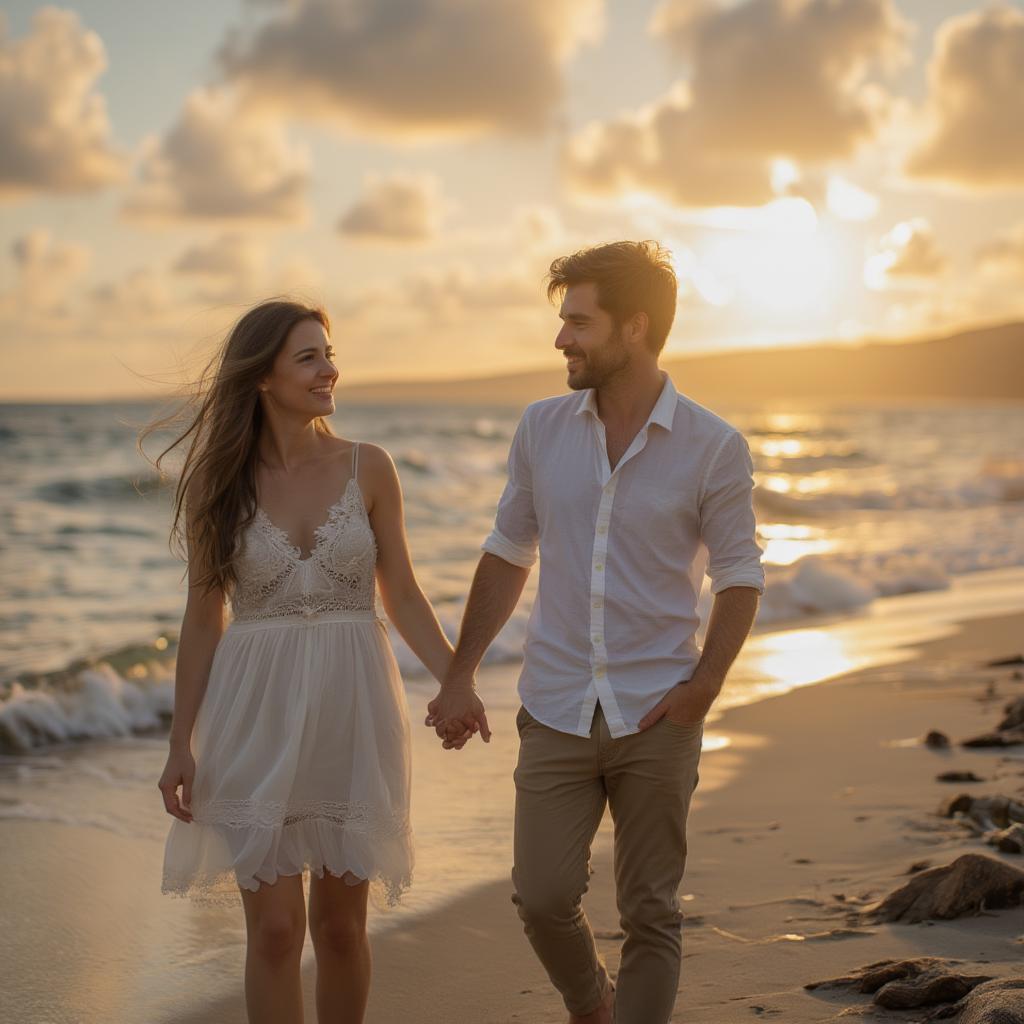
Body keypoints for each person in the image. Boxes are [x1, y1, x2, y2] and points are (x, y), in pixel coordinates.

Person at [428, 242, 764, 1024]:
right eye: (562, 321)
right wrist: (458, 673)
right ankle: (592, 1004)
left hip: (660, 711)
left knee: (650, 910)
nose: (561, 340)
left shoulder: (714, 446)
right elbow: (509, 553)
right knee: (541, 894)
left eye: (578, 322)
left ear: (635, 328)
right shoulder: (541, 429)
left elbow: (740, 574)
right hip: (554, 706)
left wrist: (703, 689)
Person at [146, 299, 452, 1024]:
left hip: (353, 705)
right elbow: (201, 620)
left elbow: (403, 594)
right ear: (262, 379)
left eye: (328, 353)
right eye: (308, 357)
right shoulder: (220, 486)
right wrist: (178, 743)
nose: (329, 370)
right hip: (254, 709)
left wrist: (457, 679)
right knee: (277, 931)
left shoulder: (368, 467)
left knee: (342, 928)